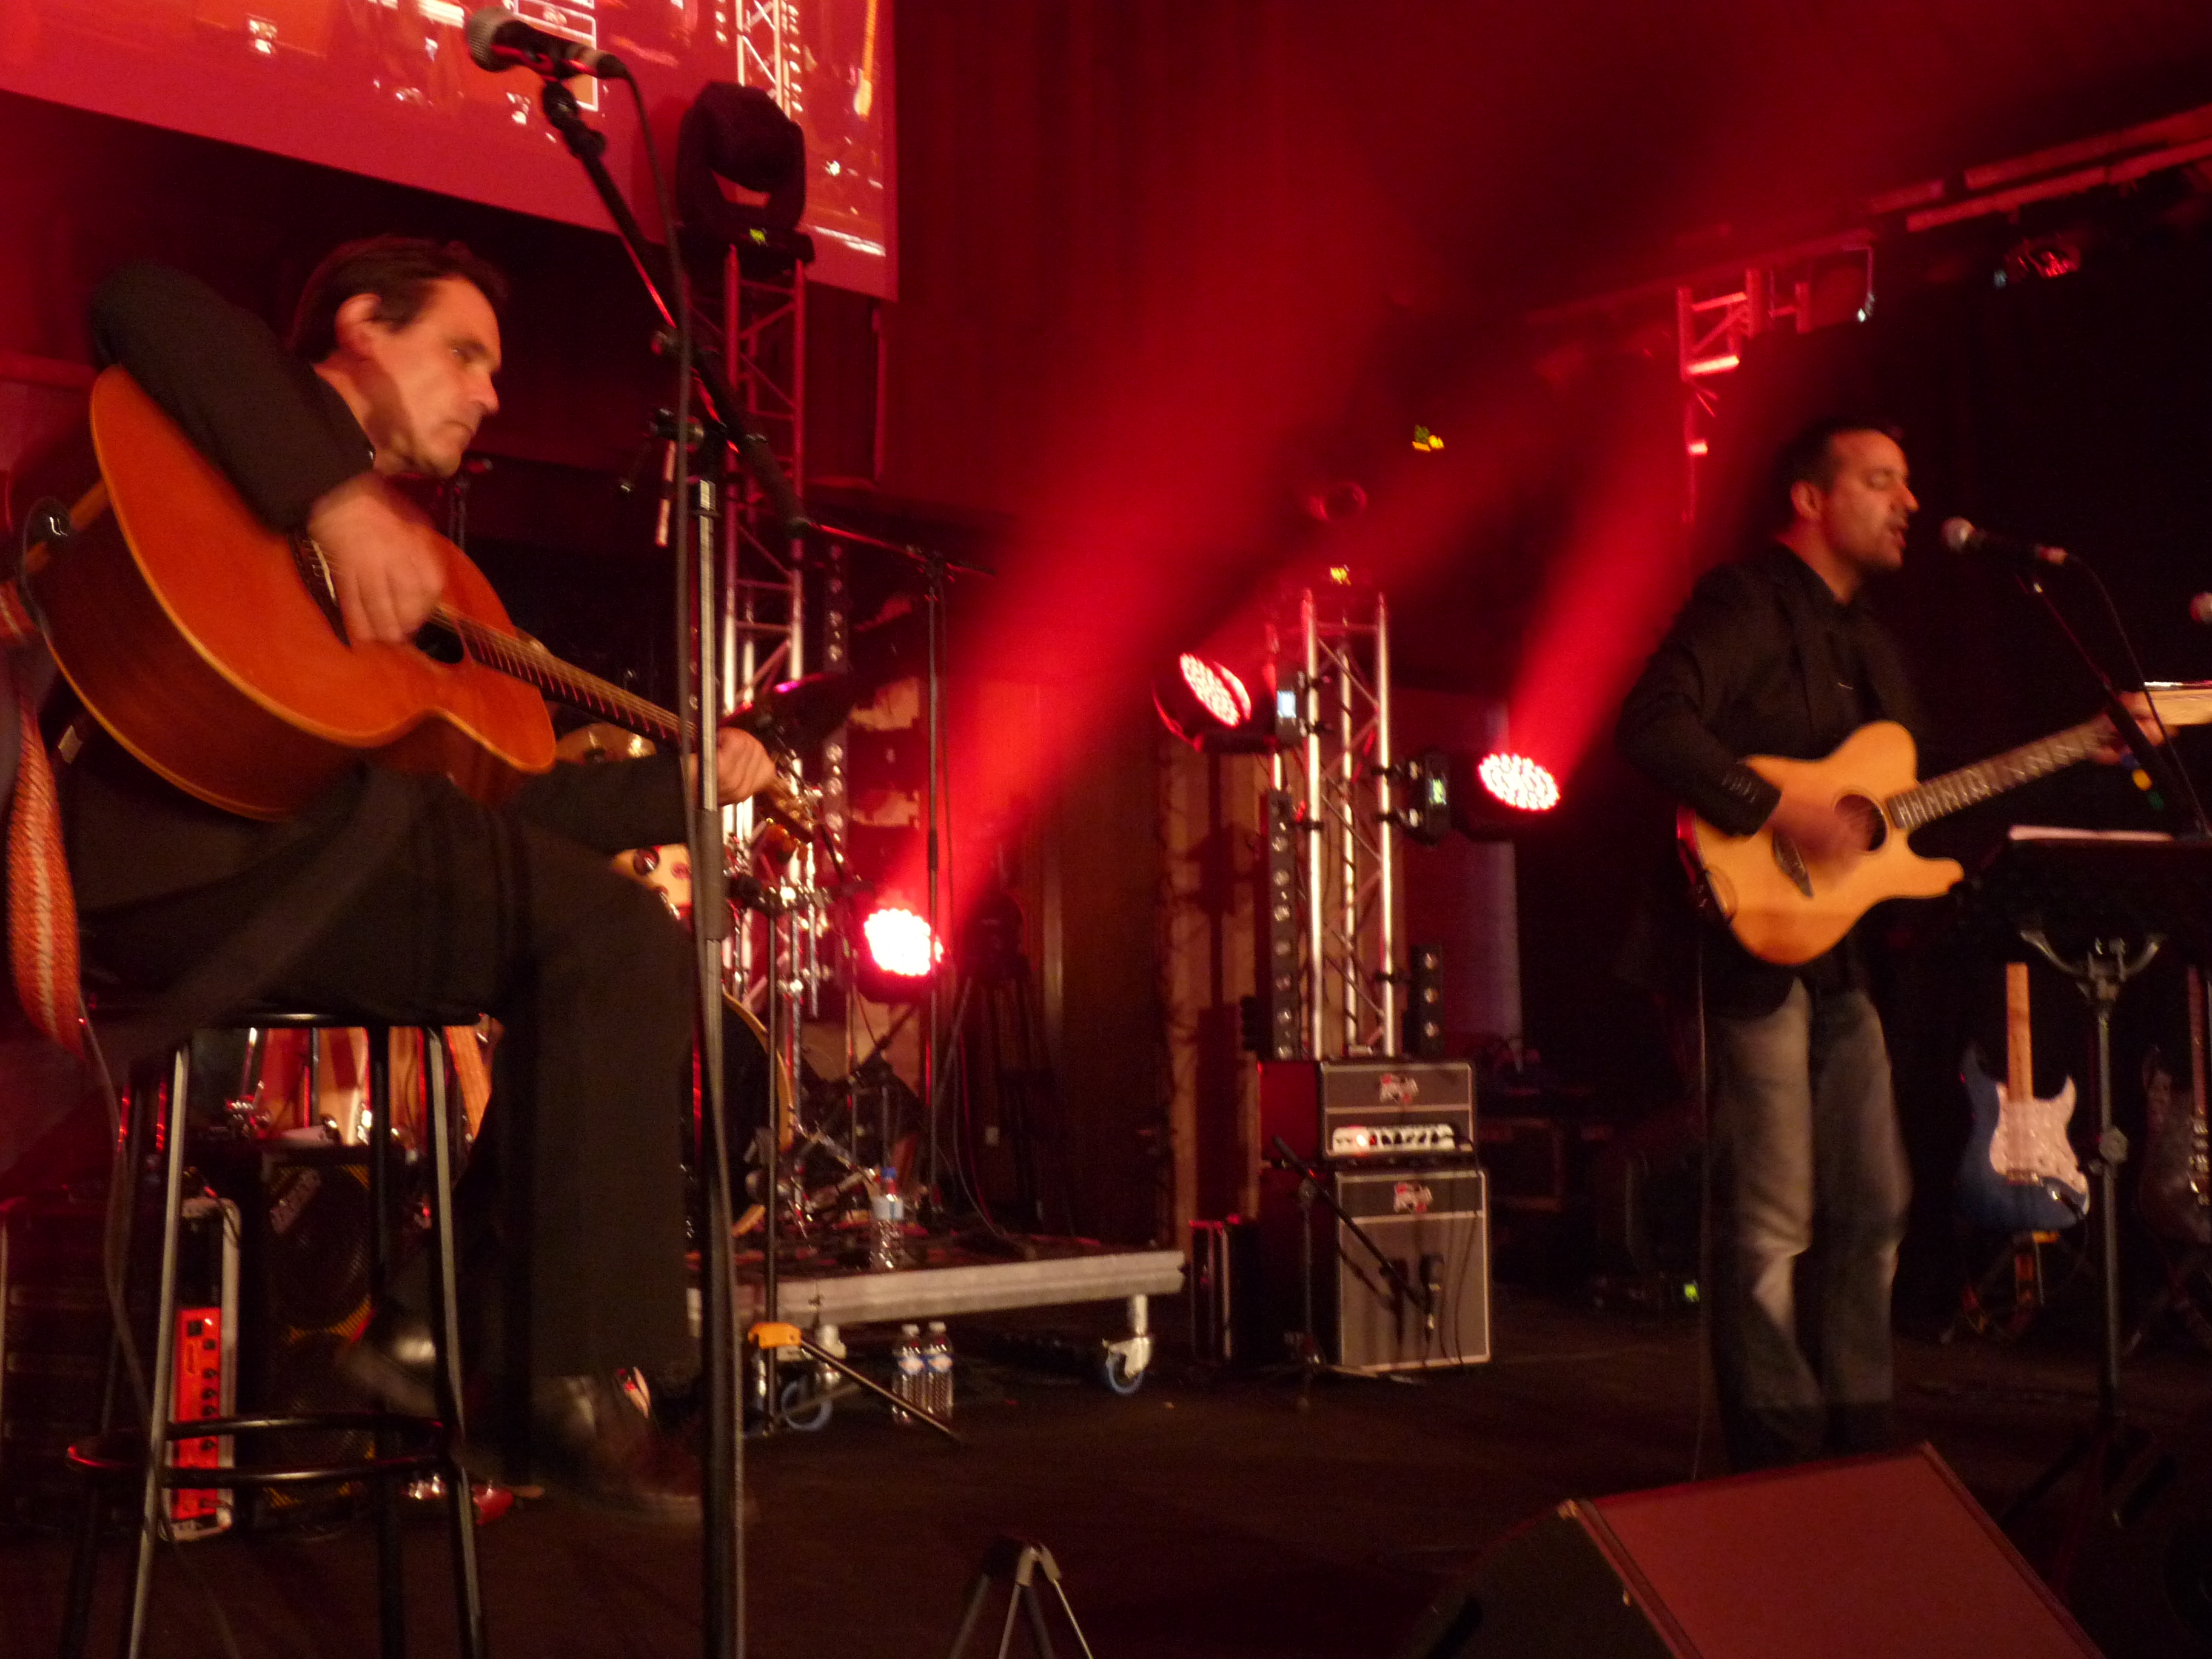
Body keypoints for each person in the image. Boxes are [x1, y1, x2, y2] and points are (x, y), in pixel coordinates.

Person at [58, 238, 776, 1515]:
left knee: (627, 950)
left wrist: (693, 782)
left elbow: (512, 793)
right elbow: (144, 291)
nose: (489, 392)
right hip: (193, 858)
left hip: (316, 861)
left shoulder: (428, 581)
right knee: (615, 939)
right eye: (462, 351)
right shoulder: (237, 420)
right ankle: (527, 1365)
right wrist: (331, 499)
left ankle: (448, 1336)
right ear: (358, 329)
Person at [1616, 417, 1922, 1470]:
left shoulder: (1872, 644)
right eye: (1882, 481)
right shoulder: (1743, 602)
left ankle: (1863, 1434)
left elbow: (1898, 815)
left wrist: (2085, 751)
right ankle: (1780, 1450)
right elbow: (1653, 720)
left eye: (1907, 484)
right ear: (1811, 498)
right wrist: (1777, 814)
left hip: (1842, 957)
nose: (1908, 503)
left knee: (1877, 1201)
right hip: (1747, 949)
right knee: (1773, 1214)